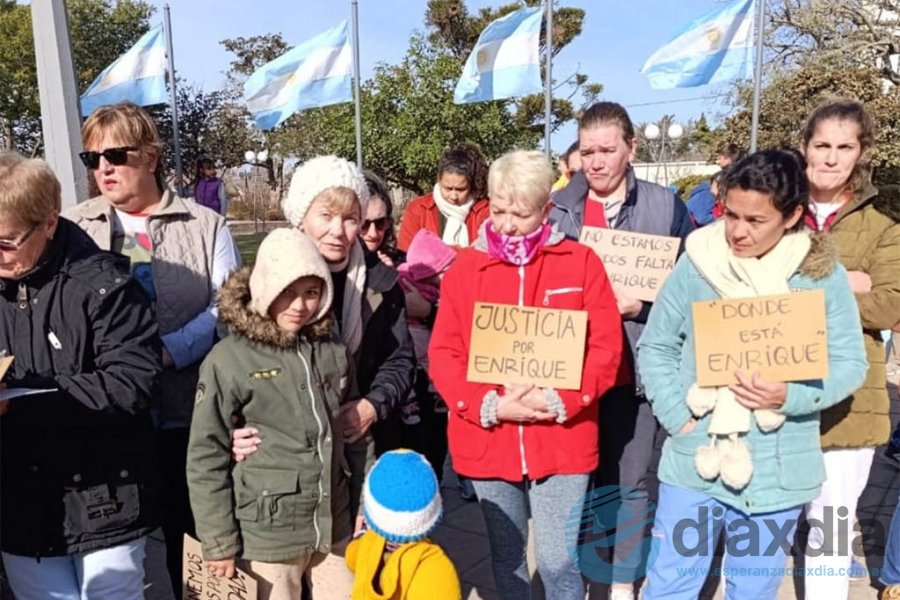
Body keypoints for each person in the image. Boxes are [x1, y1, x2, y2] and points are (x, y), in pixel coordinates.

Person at [637, 150, 869, 599]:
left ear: (793, 215)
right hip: (695, 458)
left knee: (753, 589)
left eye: (755, 220)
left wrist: (789, 396)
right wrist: (677, 416)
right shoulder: (697, 263)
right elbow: (658, 344)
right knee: (670, 585)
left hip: (778, 469)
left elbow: (849, 364)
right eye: (731, 215)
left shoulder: (821, 277)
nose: (738, 232)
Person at [429, 149, 624, 600]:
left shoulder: (581, 263)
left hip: (562, 438)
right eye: (498, 210)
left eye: (521, 213)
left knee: (559, 562)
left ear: (547, 209)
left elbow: (605, 348)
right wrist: (487, 404)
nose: (507, 224)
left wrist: (561, 399)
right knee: (507, 557)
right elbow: (445, 353)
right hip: (489, 437)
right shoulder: (466, 269)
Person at [63, 102, 240, 597]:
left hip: (189, 411)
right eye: (91, 158)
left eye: (117, 154)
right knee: (113, 557)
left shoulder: (206, 225)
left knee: (196, 542)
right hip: (109, 419)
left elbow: (227, 307)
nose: (104, 168)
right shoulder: (72, 229)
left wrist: (168, 352)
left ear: (152, 157)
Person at [232, 155, 415, 598]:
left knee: (350, 578)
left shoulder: (380, 285)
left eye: (351, 218)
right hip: (282, 480)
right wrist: (233, 430)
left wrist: (372, 405)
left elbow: (400, 361)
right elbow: (236, 375)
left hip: (356, 456)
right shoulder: (264, 284)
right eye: (326, 216)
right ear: (301, 217)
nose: (340, 230)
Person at [0, 152, 162, 599]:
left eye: (6, 242)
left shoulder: (105, 286)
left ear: (49, 223)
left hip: (104, 497)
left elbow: (134, 382)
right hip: (23, 506)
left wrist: (23, 400)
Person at [549, 100, 694, 599]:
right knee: (577, 484)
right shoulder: (557, 210)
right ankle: (576, 576)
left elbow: (692, 283)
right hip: (574, 373)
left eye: (607, 150)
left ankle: (623, 583)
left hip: (637, 373)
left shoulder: (666, 206)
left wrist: (645, 304)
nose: (595, 161)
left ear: (630, 150)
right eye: (587, 151)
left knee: (629, 486)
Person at [187, 229, 351, 599]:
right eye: (287, 292)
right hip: (269, 532)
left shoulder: (331, 349)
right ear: (265, 289)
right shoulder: (228, 359)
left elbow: (353, 431)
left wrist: (365, 506)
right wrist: (219, 541)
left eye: (311, 293)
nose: (299, 305)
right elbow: (205, 455)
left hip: (334, 519)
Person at [799, 99, 900, 599]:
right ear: (805, 148)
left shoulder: (883, 226)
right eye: (822, 145)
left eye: (845, 147)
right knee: (755, 528)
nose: (832, 158)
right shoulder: (775, 210)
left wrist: (814, 289)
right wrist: (845, 284)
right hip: (771, 389)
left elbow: (887, 305)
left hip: (851, 401)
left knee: (830, 530)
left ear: (860, 154)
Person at [346, 450, 460, 600]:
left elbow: (351, 557)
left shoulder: (367, 543)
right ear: (434, 513)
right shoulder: (436, 566)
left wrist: (361, 535)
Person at [396, 229, 456, 481]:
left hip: (425, 347)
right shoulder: (414, 280)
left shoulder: (403, 275)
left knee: (434, 433)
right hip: (415, 347)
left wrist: (428, 310)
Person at [397, 145, 490, 252]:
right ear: (439, 180)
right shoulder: (418, 209)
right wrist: (467, 251)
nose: (453, 196)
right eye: (448, 189)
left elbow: (487, 255)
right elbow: (405, 253)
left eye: (461, 190)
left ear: (471, 185)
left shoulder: (483, 210)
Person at [360, 170, 402, 265]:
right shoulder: (331, 267)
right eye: (364, 224)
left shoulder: (403, 265)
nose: (373, 233)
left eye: (380, 223)